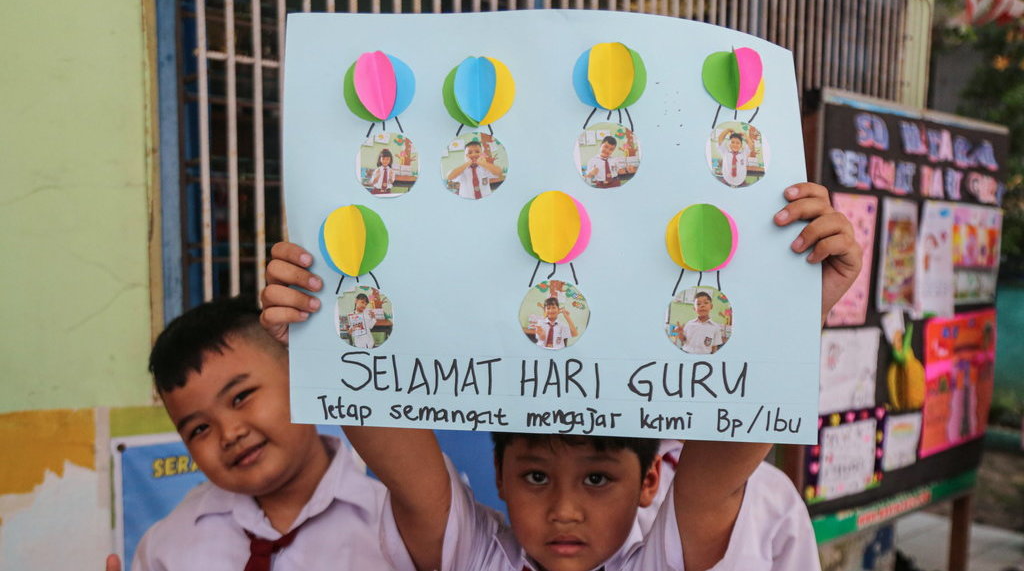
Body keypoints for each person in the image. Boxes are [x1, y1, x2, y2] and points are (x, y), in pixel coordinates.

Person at [260, 182, 861, 571]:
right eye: (536, 475)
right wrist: (331, 326)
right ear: (498, 473)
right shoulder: (476, 557)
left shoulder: (663, 562)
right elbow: (400, 459)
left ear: (652, 479)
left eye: (598, 478)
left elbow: (726, 465)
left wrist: (801, 309)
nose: (564, 510)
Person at [122, 297, 389, 571]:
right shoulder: (166, 549)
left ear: (299, 376)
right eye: (199, 429)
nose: (229, 434)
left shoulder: (396, 529)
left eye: (241, 397)